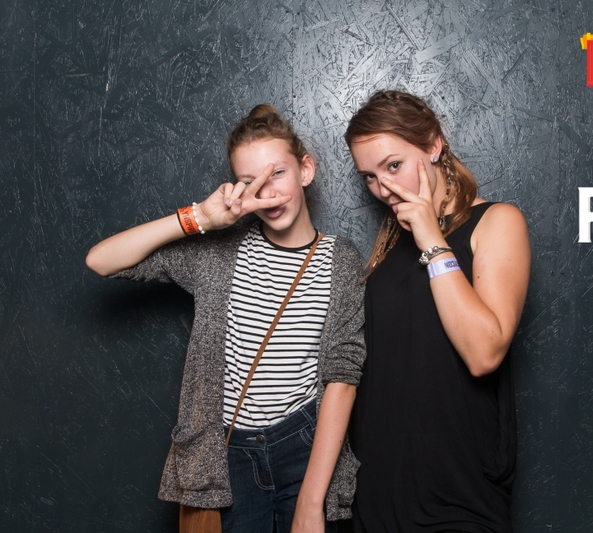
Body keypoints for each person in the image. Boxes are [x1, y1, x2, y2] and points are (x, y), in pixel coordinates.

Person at [86, 105, 365, 533]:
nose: (267, 192)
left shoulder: (340, 259)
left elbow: (342, 376)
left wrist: (312, 503)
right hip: (230, 453)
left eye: (278, 173)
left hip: (306, 445)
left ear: (305, 170)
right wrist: (200, 217)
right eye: (251, 182)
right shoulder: (220, 253)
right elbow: (102, 260)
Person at [344, 91, 530, 532]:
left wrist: (430, 237)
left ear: (433, 145)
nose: (383, 188)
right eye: (369, 176)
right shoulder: (388, 245)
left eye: (393, 166)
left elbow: (484, 353)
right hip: (378, 492)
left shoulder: (497, 222)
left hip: (458, 494)